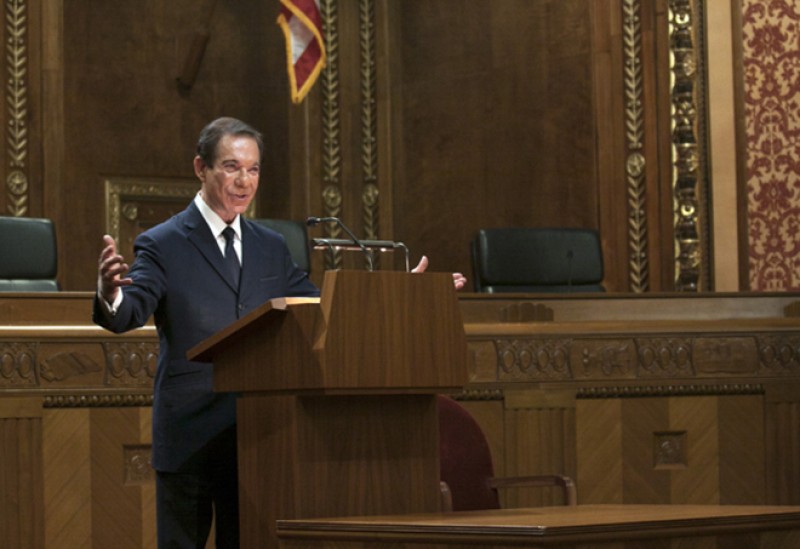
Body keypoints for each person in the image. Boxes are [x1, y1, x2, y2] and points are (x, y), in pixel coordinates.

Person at [94, 117, 465, 548]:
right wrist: (109, 293)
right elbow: (127, 312)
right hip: (190, 433)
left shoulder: (270, 246)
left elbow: (322, 312)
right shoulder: (162, 242)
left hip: (260, 437)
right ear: (201, 168)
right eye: (231, 167)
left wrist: (405, 297)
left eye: (253, 170)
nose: (244, 181)